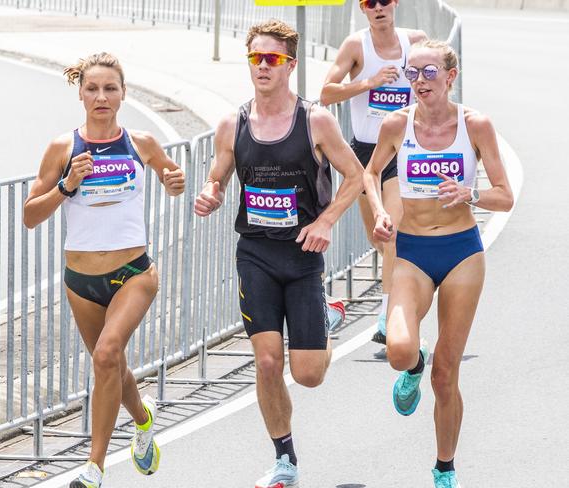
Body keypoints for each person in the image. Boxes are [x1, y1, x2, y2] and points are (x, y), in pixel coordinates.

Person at [194, 20, 363, 488]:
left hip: (303, 255)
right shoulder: (233, 124)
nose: (263, 67)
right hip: (256, 254)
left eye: (272, 59)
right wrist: (209, 193)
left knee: (308, 375)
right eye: (255, 58)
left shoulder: (315, 121)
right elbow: (218, 176)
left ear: (290, 65)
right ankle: (284, 458)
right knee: (268, 361)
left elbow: (355, 176)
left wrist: (326, 221)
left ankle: (325, 316)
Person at [23, 52, 185, 488]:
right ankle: (142, 417)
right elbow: (30, 215)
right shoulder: (63, 148)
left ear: (123, 93)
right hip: (81, 281)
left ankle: (94, 469)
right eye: (92, 88)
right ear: (80, 93)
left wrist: (175, 182)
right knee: (110, 365)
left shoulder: (141, 142)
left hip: (133, 272)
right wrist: (65, 185)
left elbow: (172, 179)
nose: (101, 96)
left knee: (107, 354)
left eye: (110, 88)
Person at [363, 40, 513, 487]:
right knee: (399, 349)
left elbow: (504, 196)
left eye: (429, 73)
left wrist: (469, 193)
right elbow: (371, 173)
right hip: (411, 251)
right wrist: (381, 213)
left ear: (451, 76)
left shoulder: (474, 126)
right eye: (412, 74)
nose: (419, 82)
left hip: (461, 253)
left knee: (447, 372)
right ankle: (413, 368)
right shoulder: (396, 125)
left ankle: (444, 469)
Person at [320, 0, 427, 344]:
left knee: (391, 231)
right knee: (378, 239)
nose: (379, 7)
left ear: (395, 3)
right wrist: (369, 82)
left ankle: (387, 316)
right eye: (370, 3)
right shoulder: (356, 45)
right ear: (363, 9)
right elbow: (326, 93)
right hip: (366, 152)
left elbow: (435, 79)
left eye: (385, 0)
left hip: (402, 149)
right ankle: (410, 278)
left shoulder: (416, 41)